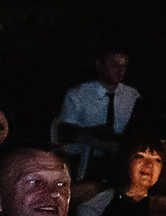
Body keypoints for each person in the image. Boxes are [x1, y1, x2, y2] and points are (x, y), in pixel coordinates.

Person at [54, 48, 139, 178]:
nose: (120, 70)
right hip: (85, 159)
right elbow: (64, 131)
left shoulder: (132, 96)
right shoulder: (78, 94)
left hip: (120, 159)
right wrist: (93, 132)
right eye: (114, 64)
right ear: (99, 64)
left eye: (124, 66)